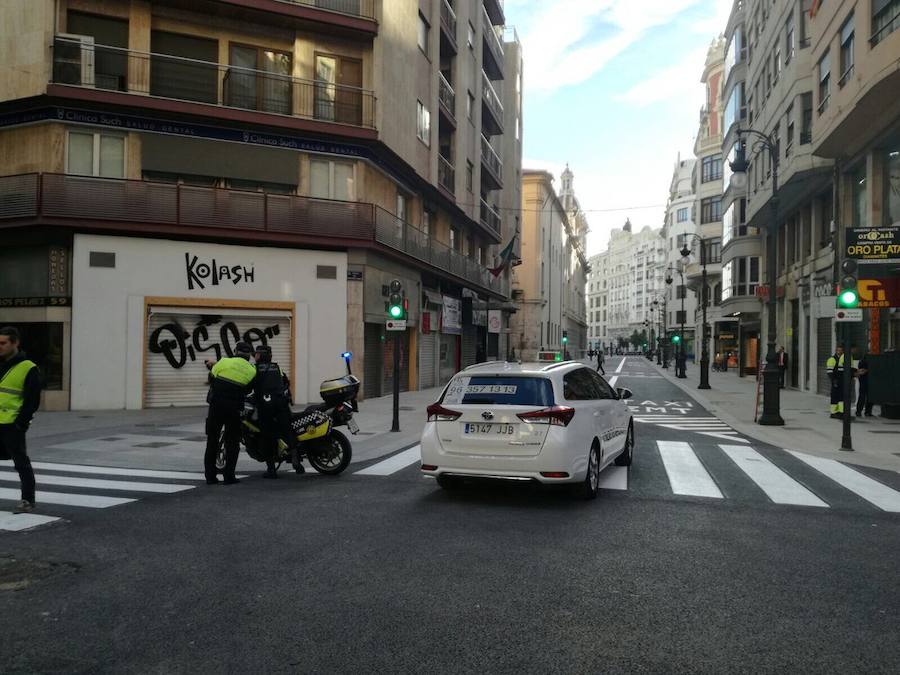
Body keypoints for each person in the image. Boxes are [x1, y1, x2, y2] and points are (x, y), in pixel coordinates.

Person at [0, 327, 42, 514]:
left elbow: (32, 400)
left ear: (15, 343)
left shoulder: (28, 367)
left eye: (3, 343)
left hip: (11, 424)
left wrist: (21, 424)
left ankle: (27, 500)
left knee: (21, 463)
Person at [204, 342, 256, 485]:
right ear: (249, 356)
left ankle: (210, 477)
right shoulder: (252, 370)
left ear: (235, 351)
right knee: (232, 442)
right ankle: (229, 476)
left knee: (212, 440)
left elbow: (211, 378)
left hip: (216, 407)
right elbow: (248, 390)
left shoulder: (224, 361)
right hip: (234, 408)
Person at [253, 344, 297, 478]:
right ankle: (296, 460)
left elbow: (250, 385)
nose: (255, 356)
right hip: (281, 403)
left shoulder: (255, 369)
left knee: (266, 435)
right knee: (287, 430)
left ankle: (271, 469)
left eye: (256, 354)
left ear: (260, 355)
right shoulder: (277, 367)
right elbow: (286, 382)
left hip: (265, 406)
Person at [826, 346, 850, 420]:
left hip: (842, 381)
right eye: (838, 350)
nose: (839, 351)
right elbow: (830, 372)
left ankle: (840, 412)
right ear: (836, 351)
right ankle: (833, 413)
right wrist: (834, 380)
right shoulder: (832, 359)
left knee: (841, 397)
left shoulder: (843, 359)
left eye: (841, 350)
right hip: (836, 381)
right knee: (835, 397)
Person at [854, 348, 874, 418]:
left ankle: (865, 412)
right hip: (864, 381)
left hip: (867, 381)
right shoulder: (863, 361)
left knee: (868, 397)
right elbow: (861, 371)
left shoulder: (865, 361)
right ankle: (861, 411)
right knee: (863, 397)